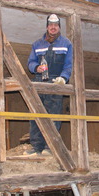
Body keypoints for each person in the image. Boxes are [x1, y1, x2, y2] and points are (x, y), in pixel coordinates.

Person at [24, 14, 73, 156]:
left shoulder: (66, 44)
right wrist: (35, 68)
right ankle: (37, 147)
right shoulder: (37, 44)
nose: (53, 28)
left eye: (56, 25)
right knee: (36, 115)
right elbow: (31, 62)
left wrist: (63, 78)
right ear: (47, 27)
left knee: (54, 115)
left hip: (55, 83)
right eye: (51, 25)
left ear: (59, 27)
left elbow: (68, 65)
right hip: (38, 81)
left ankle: (50, 147)